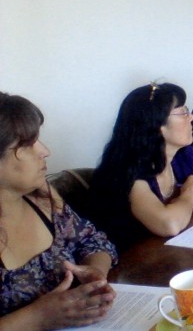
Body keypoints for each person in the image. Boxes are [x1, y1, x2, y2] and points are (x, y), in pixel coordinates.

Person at [0, 92, 118, 330]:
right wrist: (37, 317)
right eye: (27, 145)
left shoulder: (42, 196)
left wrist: (95, 270)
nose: (45, 151)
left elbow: (93, 241)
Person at [89, 82, 193, 250]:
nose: (192, 117)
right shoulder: (129, 174)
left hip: (171, 250)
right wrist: (189, 197)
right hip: (133, 261)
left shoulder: (181, 155)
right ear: (156, 125)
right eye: (183, 112)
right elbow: (169, 224)